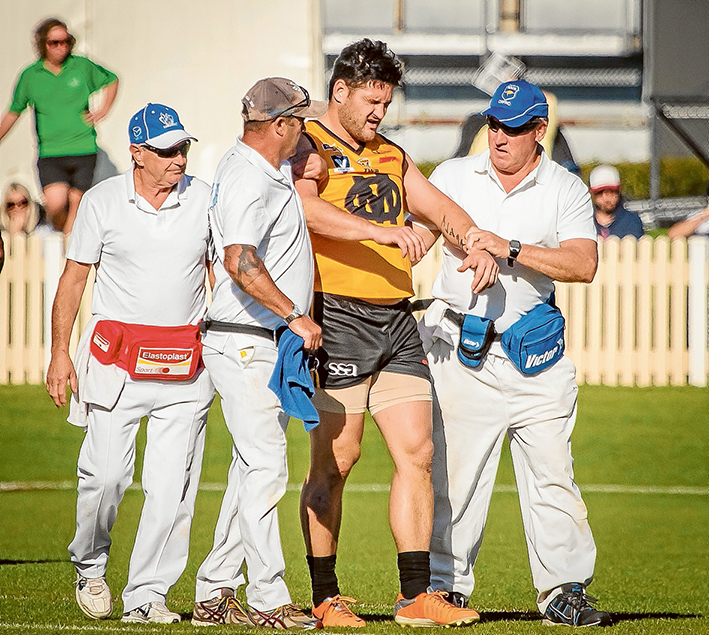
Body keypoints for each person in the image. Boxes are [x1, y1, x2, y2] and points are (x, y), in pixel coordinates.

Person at [293, 38, 496, 628]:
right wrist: (381, 234)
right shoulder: (310, 145)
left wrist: (474, 240)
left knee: (419, 452)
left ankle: (415, 596)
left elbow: (442, 209)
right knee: (338, 460)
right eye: (371, 102)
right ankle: (324, 597)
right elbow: (306, 210)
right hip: (338, 316)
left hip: (397, 320)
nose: (380, 113)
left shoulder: (391, 155)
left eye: (386, 102)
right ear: (341, 92)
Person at [417, 79, 612, 628]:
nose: (499, 137)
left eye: (514, 127)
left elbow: (583, 263)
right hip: (459, 349)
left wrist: (512, 249)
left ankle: (563, 590)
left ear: (539, 130)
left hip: (535, 356)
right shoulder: (454, 175)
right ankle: (444, 589)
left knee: (553, 475)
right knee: (456, 477)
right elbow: (418, 231)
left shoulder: (565, 188)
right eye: (494, 125)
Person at [45, 103, 214, 624]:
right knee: (106, 478)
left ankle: (148, 593)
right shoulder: (102, 202)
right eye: (166, 150)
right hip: (115, 364)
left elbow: (218, 273)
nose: (178, 159)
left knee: (173, 489)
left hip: (186, 365)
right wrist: (58, 353)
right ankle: (90, 565)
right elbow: (74, 280)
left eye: (183, 147)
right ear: (137, 153)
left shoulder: (205, 199)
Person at [191, 77, 325, 629]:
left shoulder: (256, 169)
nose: (304, 131)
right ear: (280, 125)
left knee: (253, 469)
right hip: (246, 340)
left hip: (254, 340)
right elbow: (240, 261)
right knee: (268, 467)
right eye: (300, 121)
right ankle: (269, 599)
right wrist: (294, 313)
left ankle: (214, 590)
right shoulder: (251, 175)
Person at [0, 18, 118, 234]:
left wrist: (103, 109)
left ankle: (68, 255)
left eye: (65, 41)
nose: (61, 47)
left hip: (83, 147)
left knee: (77, 203)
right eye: (54, 42)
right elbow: (13, 111)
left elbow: (111, 79)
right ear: (43, 44)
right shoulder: (31, 75)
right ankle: (61, 238)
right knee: (55, 203)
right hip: (51, 151)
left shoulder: (81, 65)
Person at [589, 164, 644, 239]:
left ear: (619, 189)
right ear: (591, 192)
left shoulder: (631, 221)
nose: (606, 198)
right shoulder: (585, 221)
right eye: (600, 193)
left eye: (612, 191)